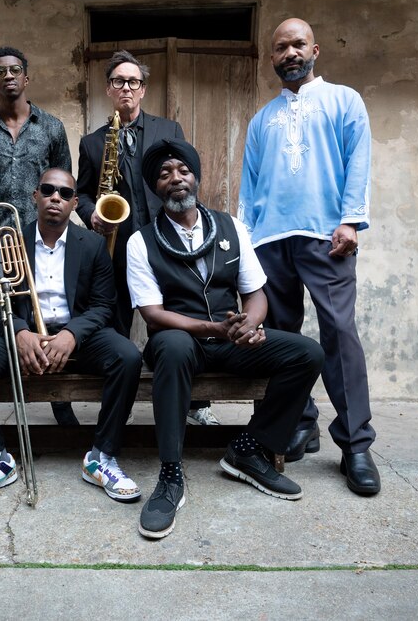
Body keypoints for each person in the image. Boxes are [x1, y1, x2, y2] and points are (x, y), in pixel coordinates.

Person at [127, 139, 324, 539]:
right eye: (164, 174)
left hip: (231, 340)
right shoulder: (140, 241)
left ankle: (248, 449)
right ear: (156, 187)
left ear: (196, 178)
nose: (176, 178)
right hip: (180, 342)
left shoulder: (231, 227)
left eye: (183, 170)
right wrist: (213, 328)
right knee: (172, 346)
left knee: (307, 353)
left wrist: (250, 324)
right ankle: (170, 475)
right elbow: (152, 314)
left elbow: (255, 293)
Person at [238, 17, 380, 496]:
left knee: (339, 332)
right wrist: (246, 241)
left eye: (298, 44)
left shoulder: (344, 101)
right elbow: (249, 185)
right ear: (272, 58)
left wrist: (351, 220)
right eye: (281, 48)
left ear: (315, 50)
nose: (290, 54)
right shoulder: (261, 119)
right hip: (270, 241)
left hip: (327, 236)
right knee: (281, 338)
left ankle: (356, 445)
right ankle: (300, 423)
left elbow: (358, 162)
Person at [0, 168, 142, 504]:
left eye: (65, 193)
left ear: (75, 203)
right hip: (26, 332)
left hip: (77, 335)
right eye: (48, 190)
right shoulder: (9, 241)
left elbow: (103, 305)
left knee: (127, 357)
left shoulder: (93, 244)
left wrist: (71, 335)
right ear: (35, 196)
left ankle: (101, 457)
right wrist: (19, 332)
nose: (56, 197)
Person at [76, 50, 218, 427]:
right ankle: (117, 407)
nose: (126, 87)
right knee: (116, 324)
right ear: (109, 89)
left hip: (165, 241)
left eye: (133, 81)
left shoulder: (168, 129)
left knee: (183, 315)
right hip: (117, 246)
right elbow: (83, 192)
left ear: (143, 89)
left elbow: (185, 178)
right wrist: (91, 214)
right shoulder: (92, 143)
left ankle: (197, 403)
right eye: (118, 81)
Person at [0, 45, 77, 425]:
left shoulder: (52, 127)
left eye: (15, 70)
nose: (8, 76)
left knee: (46, 314)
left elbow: (62, 183)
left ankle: (61, 402)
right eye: (1, 71)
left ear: (27, 77)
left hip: (41, 241)